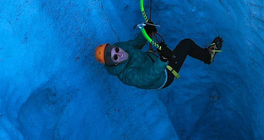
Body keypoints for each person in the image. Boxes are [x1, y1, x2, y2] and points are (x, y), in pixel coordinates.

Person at [94, 23, 222, 90]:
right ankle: (208, 57)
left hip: (153, 60)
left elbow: (136, 44)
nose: (119, 53)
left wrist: (147, 32)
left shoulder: (122, 47)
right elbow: (148, 76)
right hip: (164, 76)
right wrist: (163, 60)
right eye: (115, 57)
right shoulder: (127, 75)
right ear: (114, 64)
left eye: (115, 50)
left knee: (179, 47)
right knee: (186, 44)